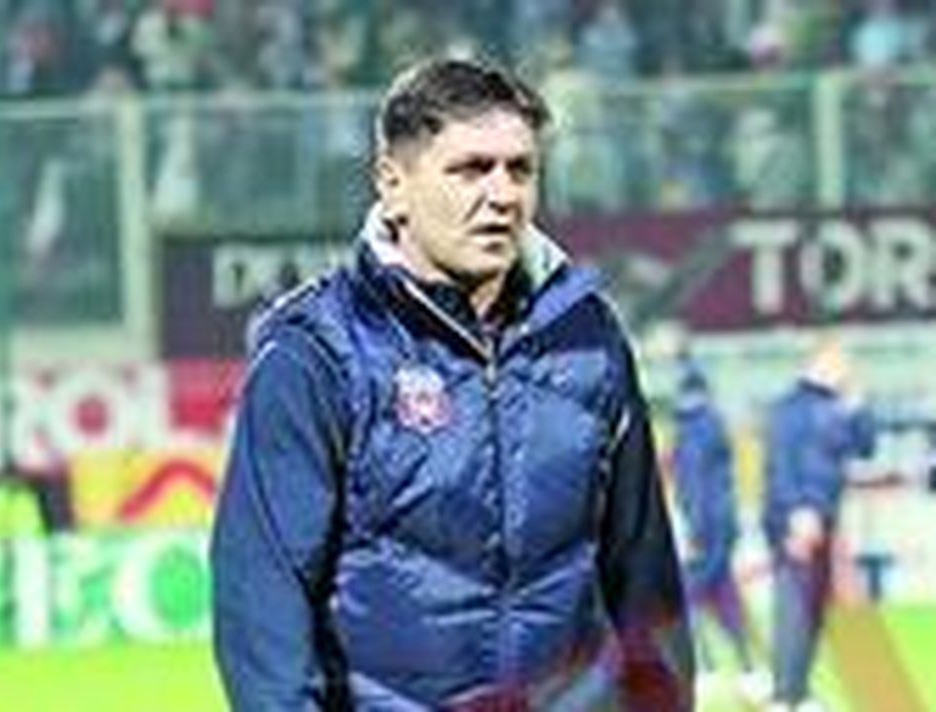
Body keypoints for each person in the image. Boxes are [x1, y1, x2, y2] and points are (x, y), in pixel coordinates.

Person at [211, 56, 694, 710]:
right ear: (393, 184)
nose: (502, 195)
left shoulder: (589, 337)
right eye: (471, 169)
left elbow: (643, 573)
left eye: (520, 169)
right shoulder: (316, 352)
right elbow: (264, 598)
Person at [762, 337, 876, 711]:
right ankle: (782, 695)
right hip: (795, 520)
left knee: (813, 607)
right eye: (843, 362)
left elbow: (865, 447)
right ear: (823, 362)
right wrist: (797, 512)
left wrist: (859, 407)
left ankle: (799, 691)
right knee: (793, 608)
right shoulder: (791, 408)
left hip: (825, 517)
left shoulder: (835, 407)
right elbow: (780, 466)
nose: (848, 370)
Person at [669, 355, 766, 701]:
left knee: (687, 599)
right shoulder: (713, 424)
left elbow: (694, 483)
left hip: (705, 527)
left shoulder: (692, 430)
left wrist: (694, 531)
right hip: (722, 525)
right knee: (724, 596)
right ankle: (747, 667)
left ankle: (706, 668)